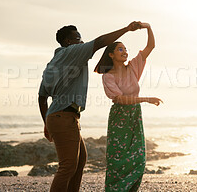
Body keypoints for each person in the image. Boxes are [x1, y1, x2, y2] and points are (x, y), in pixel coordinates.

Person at [38, 21, 142, 192]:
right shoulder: (72, 52)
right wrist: (126, 29)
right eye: (77, 38)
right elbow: (100, 42)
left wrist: (46, 123)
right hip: (64, 116)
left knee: (79, 161)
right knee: (68, 166)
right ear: (67, 42)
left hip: (60, 117)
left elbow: (42, 97)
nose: (81, 42)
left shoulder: (53, 62)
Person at [94, 22, 162, 191]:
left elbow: (151, 46)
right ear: (110, 55)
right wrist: (145, 99)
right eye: (120, 49)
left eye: (125, 49)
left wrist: (148, 27)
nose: (125, 52)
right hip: (119, 118)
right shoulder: (107, 77)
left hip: (134, 116)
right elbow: (120, 99)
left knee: (139, 159)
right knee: (118, 161)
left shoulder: (133, 67)